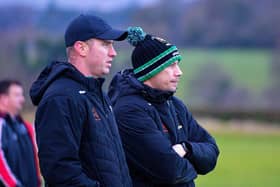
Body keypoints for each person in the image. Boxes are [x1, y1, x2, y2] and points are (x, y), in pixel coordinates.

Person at [108, 27, 220, 187]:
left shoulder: (175, 105)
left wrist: (186, 149)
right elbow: (171, 171)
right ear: (150, 71)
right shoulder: (129, 111)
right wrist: (195, 165)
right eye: (171, 66)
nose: (179, 72)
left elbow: (212, 151)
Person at [29, 14, 132, 186]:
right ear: (81, 48)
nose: (113, 53)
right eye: (106, 44)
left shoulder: (99, 96)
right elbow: (60, 171)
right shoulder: (61, 98)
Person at [0, 80, 41, 187]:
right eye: (17, 95)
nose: (22, 99)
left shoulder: (26, 127)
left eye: (22, 95)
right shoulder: (1, 125)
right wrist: (14, 185)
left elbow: (35, 161)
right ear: (4, 99)